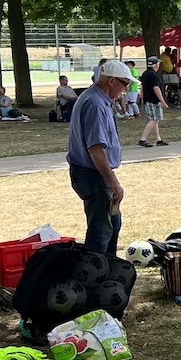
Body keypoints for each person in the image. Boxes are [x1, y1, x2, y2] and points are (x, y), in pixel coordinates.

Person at [66, 59, 131, 256]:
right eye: (125, 84)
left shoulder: (97, 100)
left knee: (112, 223)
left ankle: (108, 266)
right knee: (101, 232)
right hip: (93, 175)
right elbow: (96, 150)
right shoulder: (95, 103)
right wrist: (113, 183)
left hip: (93, 174)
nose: (125, 90)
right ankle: (94, 269)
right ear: (111, 81)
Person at [138, 55, 169, 147]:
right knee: (154, 119)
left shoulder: (145, 73)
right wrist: (162, 101)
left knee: (155, 119)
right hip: (154, 100)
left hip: (148, 100)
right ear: (156, 64)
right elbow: (156, 88)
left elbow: (142, 87)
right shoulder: (153, 75)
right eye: (158, 63)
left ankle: (158, 139)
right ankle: (143, 139)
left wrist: (142, 99)